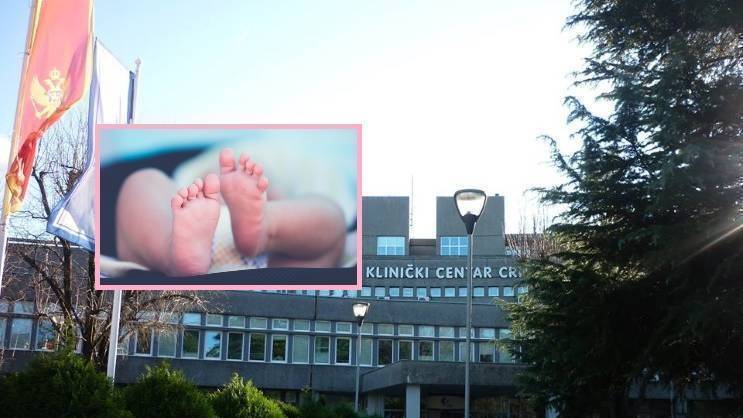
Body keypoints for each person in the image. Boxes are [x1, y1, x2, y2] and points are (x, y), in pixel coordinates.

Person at [115, 148, 346, 276]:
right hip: (189, 231)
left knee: (141, 182)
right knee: (331, 221)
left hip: (273, 255)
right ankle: (267, 225)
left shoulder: (286, 186)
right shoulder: (181, 190)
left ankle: (266, 226)